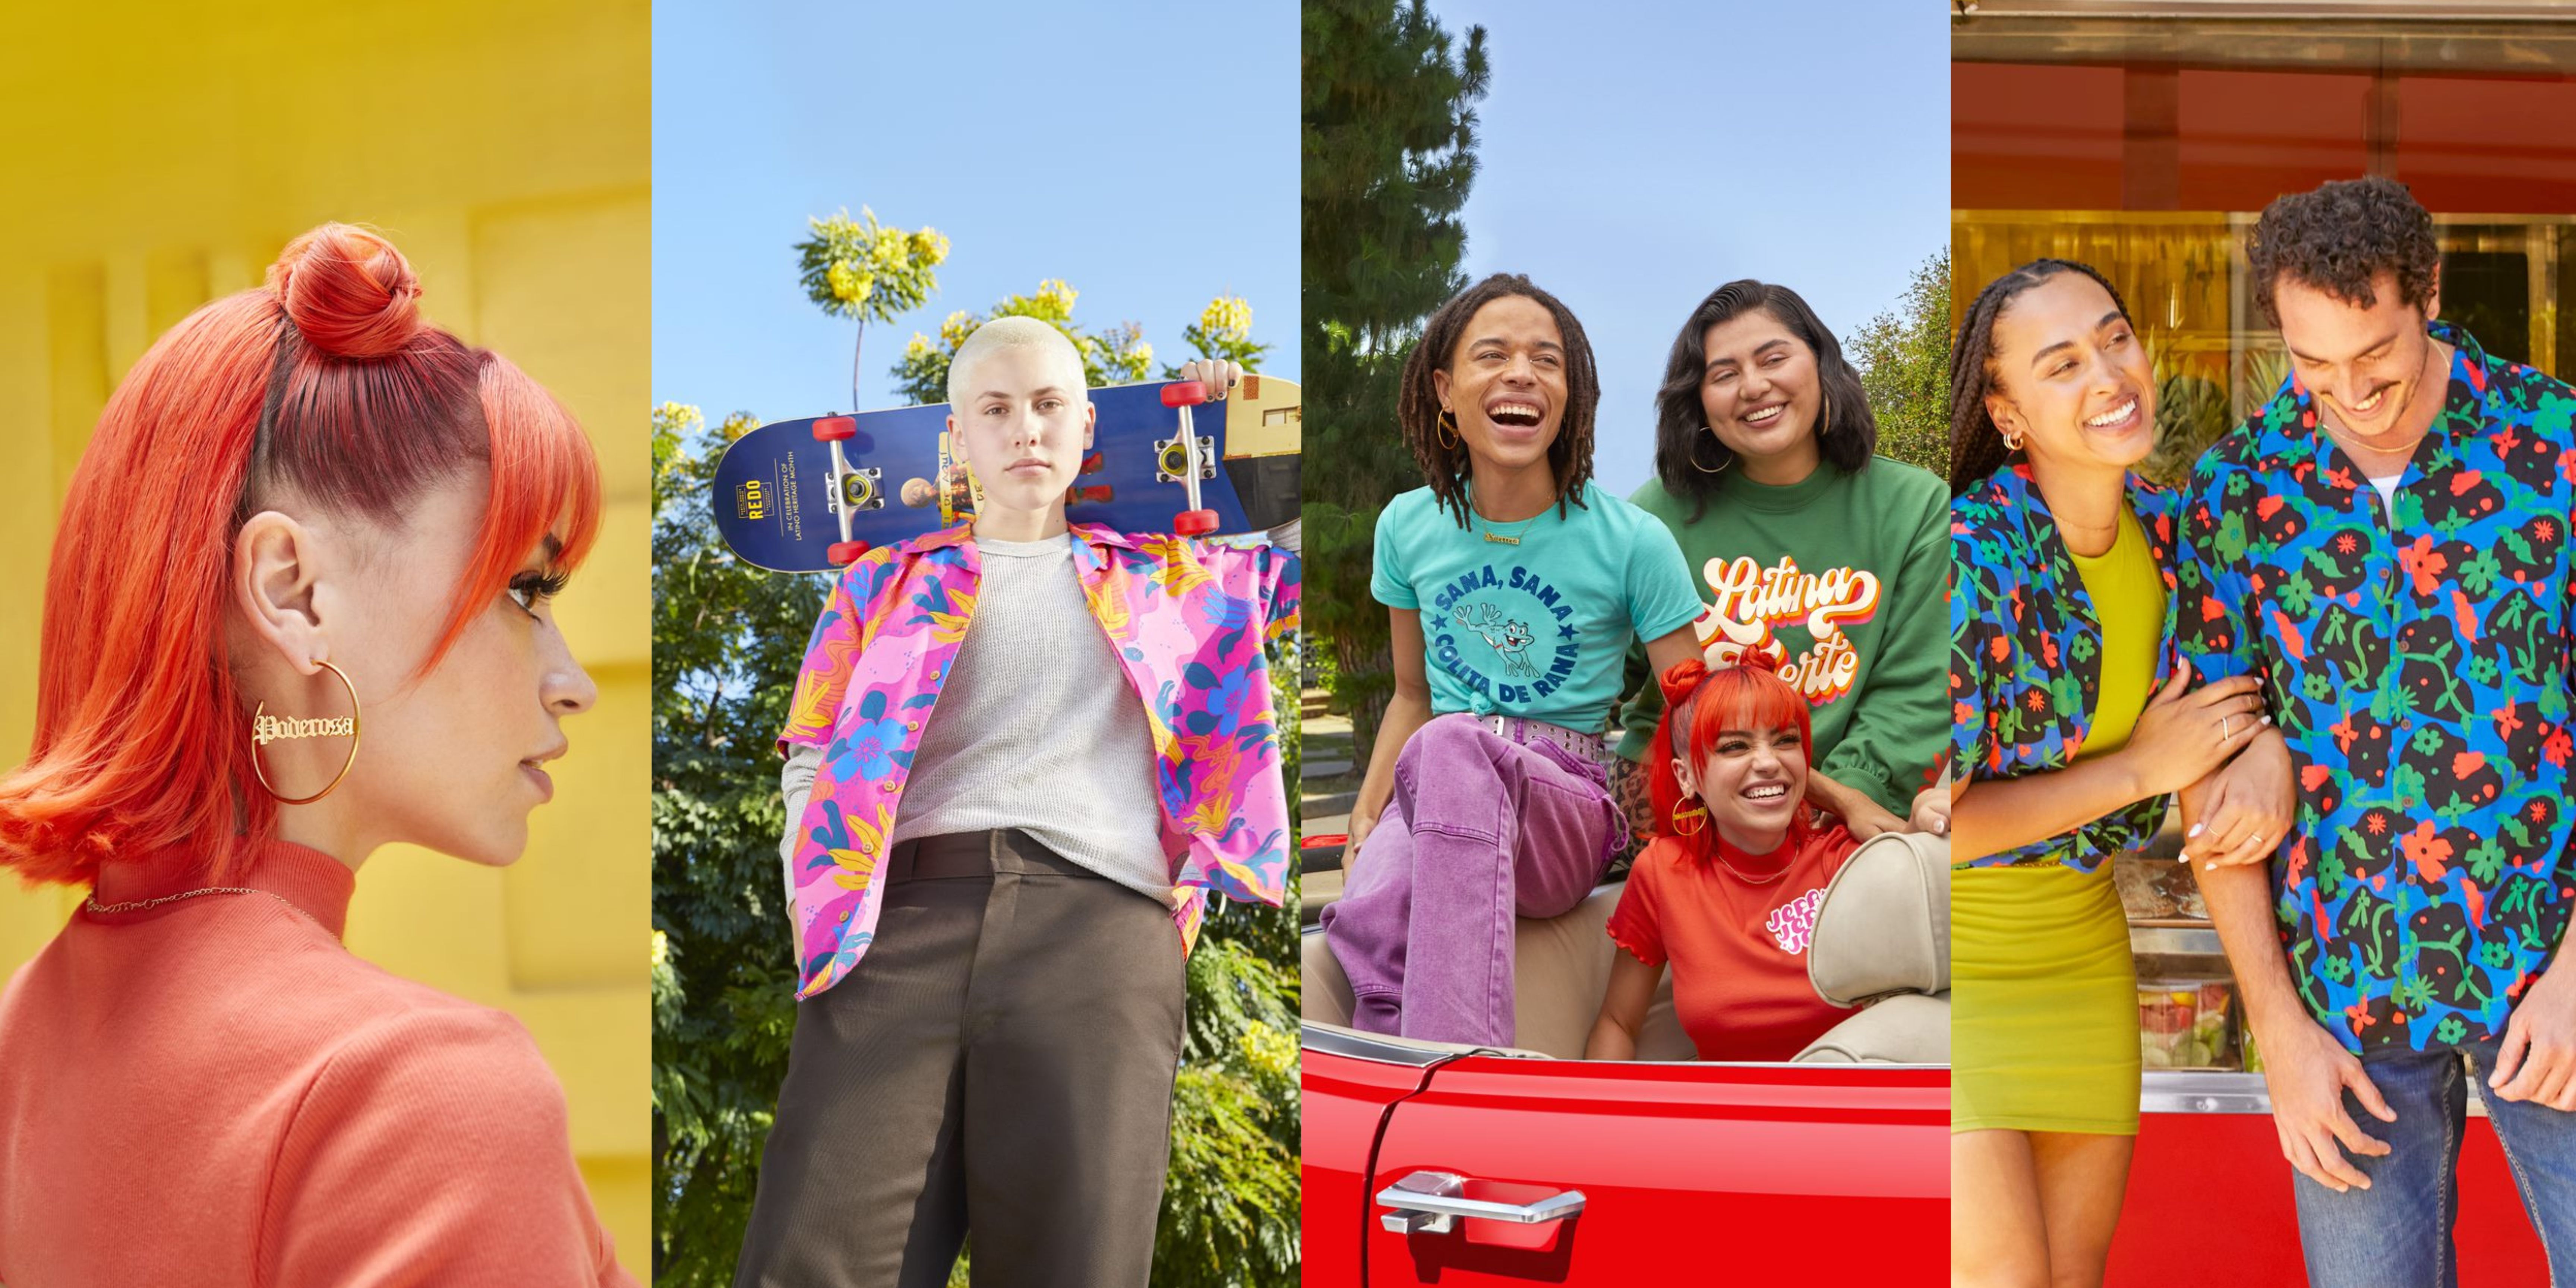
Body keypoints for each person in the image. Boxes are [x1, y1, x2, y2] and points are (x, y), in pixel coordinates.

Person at [0, 224, 631, 1285]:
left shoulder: (18, 1046)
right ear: (292, 593)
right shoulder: (419, 1096)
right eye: (526, 590)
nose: (573, 679)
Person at [731, 318, 1298, 1288]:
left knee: (1069, 1267)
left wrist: (1258, 421)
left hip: (1101, 930)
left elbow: (1299, 568)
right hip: (900, 925)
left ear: (1085, 425)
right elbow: (813, 743)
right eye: (995, 410)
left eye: (1046, 407)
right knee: (809, 1258)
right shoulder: (885, 575)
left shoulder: (1176, 570)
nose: (1025, 430)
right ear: (959, 439)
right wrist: (806, 894)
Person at [2176, 175, 2576, 1286]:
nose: (2348, 394)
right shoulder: (2238, 490)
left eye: (2376, 359)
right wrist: (2278, 1036)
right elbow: (2208, 775)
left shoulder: (2560, 449)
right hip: (2342, 1009)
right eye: (2312, 363)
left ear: (2431, 294)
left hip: (2551, 976)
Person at [1947, 257, 2286, 1288]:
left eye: (2116, 338)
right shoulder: (1969, 556)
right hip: (1953, 974)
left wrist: (2262, 749)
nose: (2110, 374)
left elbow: (2250, 688)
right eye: (2062, 364)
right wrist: (2143, 769)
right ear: (2007, 412)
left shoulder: (2178, 535)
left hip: (2085, 960)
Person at [1319, 272, 1705, 1049]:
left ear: (1572, 397)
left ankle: (1470, 1079)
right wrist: (1366, 814)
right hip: (1434, 777)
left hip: (1564, 800)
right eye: (1491, 355)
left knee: (1453, 747)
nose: (1521, 373)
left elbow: (1697, 707)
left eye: (1547, 360)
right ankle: (1393, 1107)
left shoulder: (1631, 540)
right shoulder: (1406, 526)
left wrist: (1705, 836)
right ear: (1446, 390)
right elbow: (1410, 694)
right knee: (1368, 903)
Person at [1615, 281, 1950, 842]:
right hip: (1680, 811)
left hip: (1845, 818)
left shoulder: (1915, 506)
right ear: (1697, 403)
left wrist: (1839, 802)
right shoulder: (1654, 518)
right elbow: (1599, 675)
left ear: (1821, 364)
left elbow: (1916, 691)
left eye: (1774, 359)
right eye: (1723, 375)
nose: (1753, 386)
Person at [1587, 650, 1865, 1063]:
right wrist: (1601, 1122)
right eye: (1735, 747)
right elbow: (1617, 1022)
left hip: (1859, 1112)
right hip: (1724, 1116)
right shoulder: (1662, 872)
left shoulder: (1847, 857)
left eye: (1786, 740)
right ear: (1687, 777)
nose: (1770, 763)